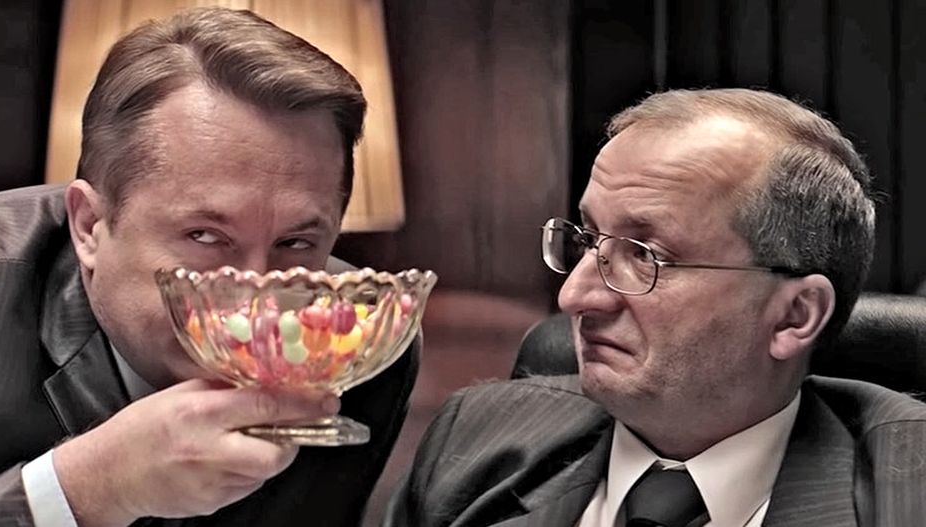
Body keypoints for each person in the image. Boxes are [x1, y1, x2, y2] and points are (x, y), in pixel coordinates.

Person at [385, 88, 926, 526]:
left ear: (794, 316)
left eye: (645, 256)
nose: (575, 297)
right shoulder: (477, 438)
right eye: (588, 239)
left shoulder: (907, 493)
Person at [0, 7, 418, 526]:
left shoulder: (357, 345)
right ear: (90, 226)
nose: (256, 299)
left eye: (296, 242)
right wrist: (85, 487)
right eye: (206, 237)